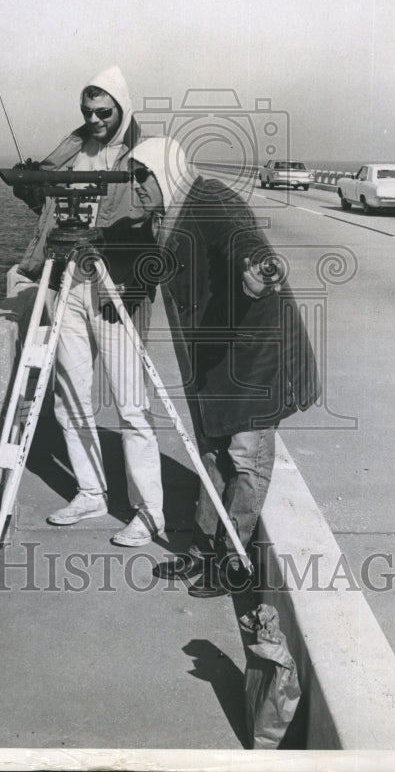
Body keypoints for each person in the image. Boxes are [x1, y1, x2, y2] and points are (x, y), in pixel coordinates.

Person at [125, 137, 321, 595]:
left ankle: (232, 562)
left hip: (254, 353)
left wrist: (261, 267)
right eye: (133, 175)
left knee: (246, 461)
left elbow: (244, 239)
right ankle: (202, 552)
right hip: (217, 357)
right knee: (212, 453)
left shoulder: (210, 198)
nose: (135, 185)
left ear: (166, 170)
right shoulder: (170, 212)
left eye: (142, 175)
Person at [12, 66, 166, 547]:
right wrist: (32, 184)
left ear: (122, 108)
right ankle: (90, 491)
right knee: (70, 395)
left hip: (113, 284)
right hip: (66, 283)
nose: (95, 119)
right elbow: (50, 208)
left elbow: (152, 206)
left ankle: (148, 513)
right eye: (87, 111)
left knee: (131, 406)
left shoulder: (141, 151)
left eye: (104, 111)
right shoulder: (72, 147)